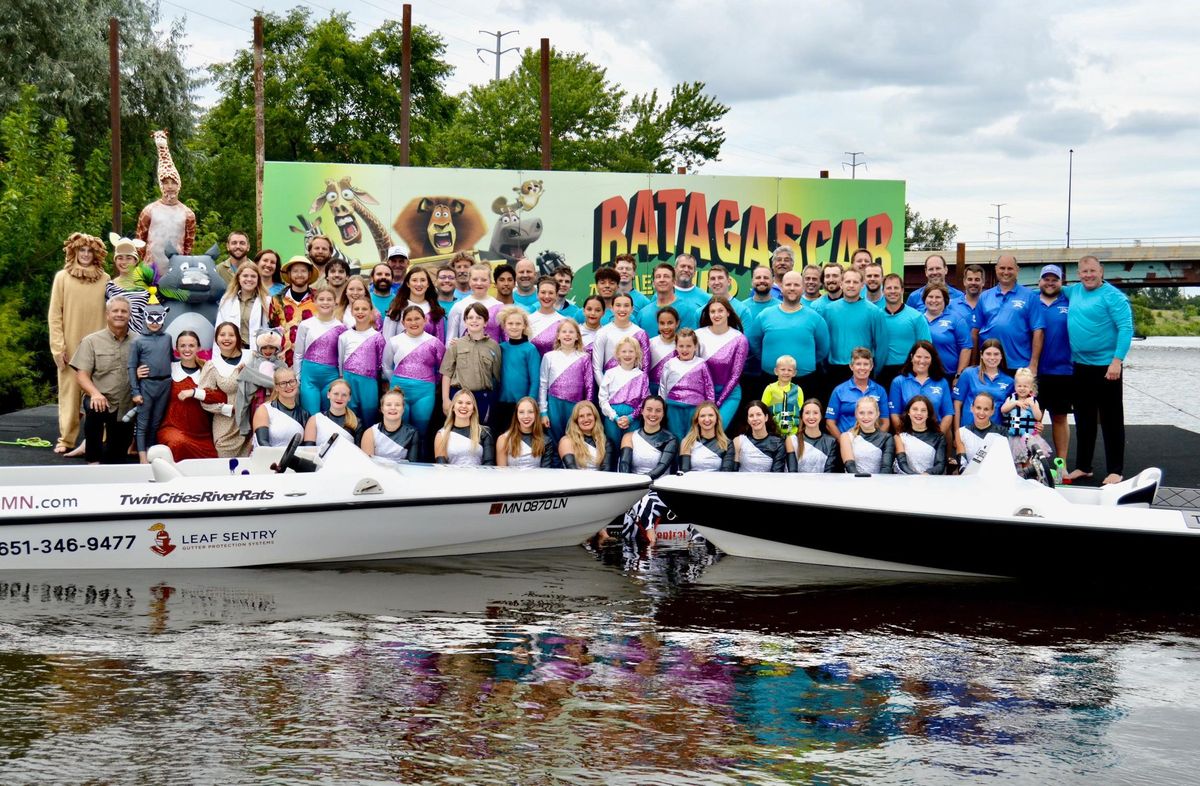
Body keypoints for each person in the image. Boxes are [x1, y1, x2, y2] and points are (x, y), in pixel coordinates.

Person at [1064, 255, 1133, 485]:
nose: (1088, 275)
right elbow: (1048, 290)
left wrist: (1117, 361)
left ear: (1101, 271)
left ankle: (1115, 469)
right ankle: (1084, 466)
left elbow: (1125, 328)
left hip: (1107, 367)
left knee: (1112, 419)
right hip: (1080, 366)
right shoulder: (1074, 291)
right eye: (1084, 272)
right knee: (1084, 420)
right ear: (1078, 273)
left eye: (1092, 271)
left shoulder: (1114, 296)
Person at [49, 232, 111, 455]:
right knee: (69, 394)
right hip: (71, 346)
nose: (85, 254)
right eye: (81, 250)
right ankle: (66, 438)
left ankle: (99, 438)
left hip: (99, 348)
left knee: (100, 392)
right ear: (74, 252)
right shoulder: (62, 278)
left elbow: (111, 314)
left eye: (90, 251)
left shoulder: (105, 279)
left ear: (96, 254)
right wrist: (58, 347)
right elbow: (55, 314)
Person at [745, 271, 830, 401]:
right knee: (769, 419)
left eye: (796, 285)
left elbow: (823, 349)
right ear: (781, 288)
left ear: (802, 288)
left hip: (805, 380)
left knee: (804, 419)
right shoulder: (765, 315)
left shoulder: (815, 318)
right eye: (788, 284)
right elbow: (754, 342)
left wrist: (803, 362)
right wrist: (768, 359)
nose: (792, 288)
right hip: (770, 380)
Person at [71, 296, 135, 464]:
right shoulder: (91, 341)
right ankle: (92, 460)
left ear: (130, 315)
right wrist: (95, 394)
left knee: (117, 456)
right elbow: (81, 374)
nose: (119, 314)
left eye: (123, 311)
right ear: (107, 314)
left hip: (127, 404)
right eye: (115, 311)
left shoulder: (139, 342)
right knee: (94, 409)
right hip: (101, 400)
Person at [383, 305, 445, 440]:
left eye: (417, 318)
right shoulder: (394, 341)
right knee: (399, 428)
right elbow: (386, 365)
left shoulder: (434, 342)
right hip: (399, 389)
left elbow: (443, 368)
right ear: (403, 322)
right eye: (409, 319)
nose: (413, 322)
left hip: (424, 392)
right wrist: (393, 381)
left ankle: (419, 458)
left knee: (421, 430)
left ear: (425, 320)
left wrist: (434, 383)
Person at [157, 330, 219, 459]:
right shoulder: (169, 368)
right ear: (177, 349)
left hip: (202, 434)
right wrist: (139, 373)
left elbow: (219, 397)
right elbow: (151, 382)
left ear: (198, 348)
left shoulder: (207, 370)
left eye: (191, 345)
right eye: (183, 346)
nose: (187, 349)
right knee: (178, 443)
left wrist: (194, 392)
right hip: (171, 429)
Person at [127, 291, 173, 462]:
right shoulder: (138, 341)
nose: (154, 323)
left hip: (165, 385)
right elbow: (131, 366)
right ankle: (142, 457)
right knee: (143, 422)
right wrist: (135, 391)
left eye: (158, 319)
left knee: (156, 422)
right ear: (145, 318)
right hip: (147, 385)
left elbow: (172, 359)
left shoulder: (168, 338)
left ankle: (150, 450)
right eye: (150, 319)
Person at [978, 254, 1043, 374]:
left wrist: (1033, 364)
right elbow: (975, 330)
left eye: (1010, 268)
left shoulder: (1030, 296)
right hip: (989, 364)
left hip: (1020, 365)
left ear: (1017, 270)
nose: (1006, 272)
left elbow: (1038, 331)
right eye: (1002, 268)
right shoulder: (984, 297)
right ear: (996, 269)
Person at [822, 268, 886, 388]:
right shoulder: (829, 310)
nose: (851, 286)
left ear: (862, 285)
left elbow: (881, 345)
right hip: (835, 369)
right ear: (841, 284)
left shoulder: (874, 311)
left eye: (855, 282)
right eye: (847, 282)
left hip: (863, 369)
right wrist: (825, 368)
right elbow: (823, 342)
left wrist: (876, 371)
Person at [1035, 264, 1073, 460]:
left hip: (1063, 371)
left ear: (1061, 282)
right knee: (1033, 419)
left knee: (1059, 417)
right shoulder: (1031, 299)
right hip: (1035, 371)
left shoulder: (1070, 300)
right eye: (1046, 279)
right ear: (1040, 281)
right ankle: (1031, 464)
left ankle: (1061, 464)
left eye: (1054, 279)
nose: (1050, 283)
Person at [439, 301, 501, 422]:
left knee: (480, 432)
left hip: (482, 397)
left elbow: (497, 378)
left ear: (485, 322)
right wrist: (446, 399)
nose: (474, 320)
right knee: (458, 431)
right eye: (470, 317)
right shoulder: (456, 345)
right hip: (458, 396)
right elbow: (446, 374)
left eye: (479, 317)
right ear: (465, 321)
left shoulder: (494, 346)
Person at [198, 321, 250, 458]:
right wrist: (229, 409)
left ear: (238, 338)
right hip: (225, 427)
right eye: (222, 335)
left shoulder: (251, 357)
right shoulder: (212, 365)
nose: (226, 338)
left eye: (231, 335)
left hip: (250, 424)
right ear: (216, 339)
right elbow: (204, 399)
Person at [539, 319, 594, 446]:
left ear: (577, 337)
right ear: (558, 336)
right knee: (554, 438)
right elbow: (543, 385)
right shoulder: (549, 356)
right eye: (564, 331)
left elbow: (589, 386)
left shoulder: (584, 357)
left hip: (576, 406)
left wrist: (587, 409)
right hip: (554, 404)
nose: (567, 334)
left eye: (571, 332)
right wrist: (543, 412)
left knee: (574, 439)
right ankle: (555, 463)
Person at [696, 297, 749, 429]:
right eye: (712, 311)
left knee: (717, 429)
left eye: (720, 311)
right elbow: (694, 369)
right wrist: (709, 398)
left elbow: (735, 375)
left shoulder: (739, 339)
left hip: (729, 394)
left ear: (728, 312)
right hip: (702, 392)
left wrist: (717, 403)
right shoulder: (698, 335)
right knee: (701, 430)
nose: (716, 315)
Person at [293, 288, 346, 415]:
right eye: (321, 299)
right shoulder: (306, 325)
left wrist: (340, 378)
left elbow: (342, 357)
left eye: (329, 299)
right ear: (314, 302)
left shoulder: (341, 328)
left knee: (329, 414)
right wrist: (297, 377)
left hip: (331, 378)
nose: (325, 303)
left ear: (335, 303)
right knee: (311, 415)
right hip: (309, 378)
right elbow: (298, 353)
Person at [888, 340, 954, 439]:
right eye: (918, 356)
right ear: (911, 357)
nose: (922, 361)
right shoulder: (898, 382)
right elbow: (894, 414)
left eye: (926, 357)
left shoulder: (942, 382)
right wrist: (906, 438)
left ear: (932, 360)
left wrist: (937, 439)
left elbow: (948, 414)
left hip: (935, 436)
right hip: (907, 437)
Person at [877, 272, 931, 390]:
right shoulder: (876, 316)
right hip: (882, 373)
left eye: (896, 288)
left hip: (909, 372)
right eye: (888, 288)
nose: (892, 291)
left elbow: (926, 349)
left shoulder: (916, 317)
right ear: (883, 291)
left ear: (902, 290)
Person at [598, 336, 650, 459]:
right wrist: (614, 416)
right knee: (612, 450)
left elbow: (644, 401)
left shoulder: (641, 376)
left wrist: (631, 417)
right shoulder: (610, 373)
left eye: (631, 351)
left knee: (630, 450)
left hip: (633, 418)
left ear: (637, 354)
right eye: (624, 351)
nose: (627, 354)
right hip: (612, 417)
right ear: (618, 354)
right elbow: (602, 399)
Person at [659, 328, 715, 440]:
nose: (685, 349)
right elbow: (662, 387)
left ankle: (689, 458)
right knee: (675, 437)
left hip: (695, 408)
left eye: (688, 346)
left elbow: (709, 388)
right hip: (673, 407)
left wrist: (710, 408)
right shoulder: (670, 364)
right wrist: (662, 408)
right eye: (681, 346)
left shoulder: (701, 364)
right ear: (676, 346)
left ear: (695, 346)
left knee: (692, 438)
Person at [338, 297, 386, 426]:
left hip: (369, 382)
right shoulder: (344, 336)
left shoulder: (377, 337)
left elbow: (381, 364)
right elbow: (340, 363)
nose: (360, 312)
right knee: (351, 417)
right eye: (357, 309)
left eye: (364, 309)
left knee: (369, 415)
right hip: (349, 381)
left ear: (371, 312)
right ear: (352, 312)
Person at [494, 306, 541, 433]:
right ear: (504, 325)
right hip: (502, 403)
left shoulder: (530, 349)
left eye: (518, 323)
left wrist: (530, 403)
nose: (514, 326)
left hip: (522, 406)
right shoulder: (500, 348)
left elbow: (535, 380)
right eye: (510, 323)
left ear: (524, 326)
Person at [825, 347, 888, 440]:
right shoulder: (839, 391)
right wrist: (843, 443)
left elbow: (885, 422)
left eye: (866, 364)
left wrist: (877, 442)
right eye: (858, 364)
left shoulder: (880, 391)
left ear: (871, 366)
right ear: (851, 366)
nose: (862, 368)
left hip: (873, 444)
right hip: (847, 442)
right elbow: (830, 423)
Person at [953, 338, 1014, 430]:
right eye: (988, 354)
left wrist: (1035, 424)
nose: (992, 358)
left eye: (996, 354)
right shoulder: (968, 373)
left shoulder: (1009, 381)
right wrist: (957, 432)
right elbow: (957, 404)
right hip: (968, 429)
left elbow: (1018, 408)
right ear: (981, 355)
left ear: (1001, 356)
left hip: (995, 433)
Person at [271, 255, 319, 367]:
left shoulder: (318, 298)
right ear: (289, 274)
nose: (299, 275)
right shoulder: (277, 299)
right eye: (295, 271)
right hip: (283, 360)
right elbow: (273, 327)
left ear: (309, 274)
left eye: (303, 271)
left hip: (312, 359)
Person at [1001, 367, 1054, 467]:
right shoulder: (1011, 399)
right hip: (1013, 437)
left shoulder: (1033, 401)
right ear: (1015, 386)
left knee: (1028, 461)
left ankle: (1028, 478)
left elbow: (1038, 417)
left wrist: (1033, 406)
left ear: (1031, 387)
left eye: (1025, 386)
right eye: (1019, 386)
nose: (1022, 388)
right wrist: (1015, 403)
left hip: (1029, 437)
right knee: (1014, 462)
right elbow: (1003, 409)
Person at [592, 293, 650, 382]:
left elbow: (645, 367)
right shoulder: (603, 333)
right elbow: (597, 369)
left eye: (626, 306)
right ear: (612, 308)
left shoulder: (640, 334)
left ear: (632, 309)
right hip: (609, 388)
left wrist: (638, 388)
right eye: (618, 305)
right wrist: (606, 390)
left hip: (634, 387)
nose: (622, 309)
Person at [617, 395, 677, 478]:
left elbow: (662, 466)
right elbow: (624, 464)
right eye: (649, 410)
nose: (653, 414)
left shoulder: (670, 439)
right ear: (642, 411)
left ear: (663, 414)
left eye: (658, 411)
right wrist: (630, 484)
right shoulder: (629, 437)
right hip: (634, 485)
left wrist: (641, 481)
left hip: (658, 487)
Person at [104, 233, 152, 335]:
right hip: (116, 341)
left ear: (135, 261)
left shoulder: (146, 286)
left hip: (141, 340)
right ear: (115, 260)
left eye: (128, 258)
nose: (124, 262)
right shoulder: (110, 286)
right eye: (120, 258)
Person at [251, 366, 310, 449]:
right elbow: (262, 443)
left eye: (291, 381)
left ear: (296, 383)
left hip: (294, 459)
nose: (288, 386)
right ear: (276, 387)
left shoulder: (304, 414)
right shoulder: (265, 410)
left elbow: (307, 447)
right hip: (269, 459)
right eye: (283, 383)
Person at [216, 262, 271, 348]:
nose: (249, 279)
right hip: (231, 351)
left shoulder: (266, 301)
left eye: (253, 276)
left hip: (255, 351)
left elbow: (268, 330)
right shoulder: (227, 300)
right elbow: (219, 329)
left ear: (258, 279)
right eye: (245, 276)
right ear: (238, 278)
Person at [384, 266, 446, 343]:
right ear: (408, 284)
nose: (419, 284)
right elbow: (387, 340)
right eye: (414, 280)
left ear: (428, 284)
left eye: (423, 280)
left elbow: (440, 342)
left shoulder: (435, 310)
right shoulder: (397, 308)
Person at [923, 283, 972, 376]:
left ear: (945, 300)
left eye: (938, 297)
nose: (933, 300)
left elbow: (966, 348)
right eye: (930, 296)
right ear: (925, 299)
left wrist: (959, 375)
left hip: (949, 374)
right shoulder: (917, 318)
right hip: (922, 374)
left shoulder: (956, 319)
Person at [361, 387, 421, 463]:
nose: (393, 408)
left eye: (397, 405)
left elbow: (413, 465)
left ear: (403, 409)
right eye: (388, 405)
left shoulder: (412, 433)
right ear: (382, 408)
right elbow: (368, 465)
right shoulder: (370, 433)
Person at [445, 263, 500, 341]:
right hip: (465, 352)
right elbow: (450, 340)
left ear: (490, 282)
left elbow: (506, 340)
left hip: (492, 352)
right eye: (475, 279)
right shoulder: (459, 306)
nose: (479, 283)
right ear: (469, 281)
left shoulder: (499, 306)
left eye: (484, 280)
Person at [893, 395, 947, 475]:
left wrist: (926, 474)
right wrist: (916, 478)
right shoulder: (899, 437)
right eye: (915, 409)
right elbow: (902, 464)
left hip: (931, 481)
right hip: (906, 481)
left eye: (923, 410)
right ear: (908, 412)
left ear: (928, 414)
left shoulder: (939, 437)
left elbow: (940, 464)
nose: (919, 413)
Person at [838, 396, 893, 475]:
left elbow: (886, 468)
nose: (866, 417)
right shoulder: (846, 437)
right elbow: (850, 467)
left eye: (870, 413)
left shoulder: (887, 438)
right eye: (861, 413)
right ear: (856, 414)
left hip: (878, 483)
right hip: (853, 482)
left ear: (877, 414)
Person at [638, 263, 698, 332]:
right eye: (658, 277)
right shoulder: (643, 314)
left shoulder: (687, 310)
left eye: (666, 276)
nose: (662, 280)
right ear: (653, 283)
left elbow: (690, 340)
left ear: (674, 282)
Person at [733, 399, 791, 472]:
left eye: (758, 414)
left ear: (766, 417)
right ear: (748, 420)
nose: (755, 419)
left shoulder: (778, 443)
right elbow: (733, 472)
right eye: (751, 416)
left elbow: (777, 474)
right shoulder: (739, 441)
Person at [496, 396, 554, 468]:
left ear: (536, 414)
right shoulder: (503, 439)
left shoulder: (546, 441)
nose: (526, 416)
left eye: (530, 412)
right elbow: (501, 473)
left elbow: (545, 474)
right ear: (516, 415)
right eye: (521, 412)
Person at [303, 377, 361, 446]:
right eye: (336, 394)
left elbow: (359, 454)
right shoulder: (315, 420)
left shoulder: (356, 422)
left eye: (344, 395)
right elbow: (308, 452)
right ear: (328, 394)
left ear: (349, 398)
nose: (339, 398)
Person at [956, 392, 1006, 470]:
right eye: (978, 408)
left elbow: (1002, 463)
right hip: (968, 478)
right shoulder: (961, 432)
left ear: (992, 411)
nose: (981, 413)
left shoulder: (1002, 433)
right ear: (971, 408)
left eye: (986, 409)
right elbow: (962, 464)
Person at [678, 402, 733, 472]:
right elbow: (684, 472)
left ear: (716, 419)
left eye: (711, 415)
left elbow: (726, 473)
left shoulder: (727, 444)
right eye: (702, 416)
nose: (707, 419)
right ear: (697, 420)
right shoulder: (687, 442)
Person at [790, 399, 839, 473]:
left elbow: (829, 472)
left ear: (821, 415)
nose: (811, 417)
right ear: (802, 416)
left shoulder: (831, 441)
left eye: (815, 413)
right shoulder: (792, 440)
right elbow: (792, 472)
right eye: (807, 413)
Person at [558, 401, 609, 470]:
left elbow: (607, 471)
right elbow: (571, 469)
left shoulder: (605, 442)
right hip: (574, 479)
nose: (586, 419)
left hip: (600, 480)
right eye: (581, 416)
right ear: (576, 420)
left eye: (589, 415)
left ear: (595, 417)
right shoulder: (566, 441)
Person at [761, 355, 802, 437]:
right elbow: (762, 411)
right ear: (776, 371)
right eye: (782, 369)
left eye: (789, 370)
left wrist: (799, 433)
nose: (786, 372)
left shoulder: (798, 390)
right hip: (773, 434)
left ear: (794, 373)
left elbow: (801, 413)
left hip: (793, 434)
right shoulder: (770, 389)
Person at [527, 276, 566, 355]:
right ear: (537, 294)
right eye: (543, 292)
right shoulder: (527, 320)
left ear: (556, 295)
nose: (547, 296)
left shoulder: (564, 322)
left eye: (551, 293)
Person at [647, 306, 678, 394]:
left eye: (670, 323)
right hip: (652, 391)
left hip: (673, 391)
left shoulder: (682, 346)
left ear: (677, 323)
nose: (666, 327)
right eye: (662, 323)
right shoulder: (650, 343)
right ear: (657, 324)